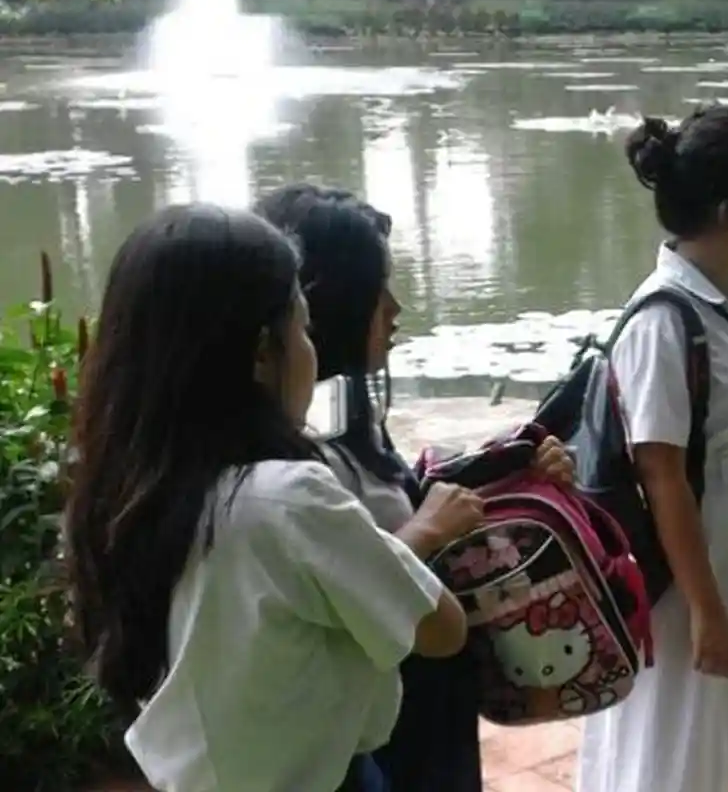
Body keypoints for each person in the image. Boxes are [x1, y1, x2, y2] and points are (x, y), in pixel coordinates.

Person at [63, 204, 483, 792]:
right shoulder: (289, 499)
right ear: (263, 352)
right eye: (304, 328)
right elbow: (441, 628)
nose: (311, 349)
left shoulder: (130, 487)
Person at [253, 183, 574, 792]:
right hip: (389, 724)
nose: (395, 308)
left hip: (425, 702)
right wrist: (428, 529)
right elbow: (351, 590)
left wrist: (510, 473)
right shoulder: (297, 467)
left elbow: (397, 507)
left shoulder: (344, 418)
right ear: (332, 305)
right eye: (380, 291)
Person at [575, 105, 728, 792]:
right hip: (700, 558)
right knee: (688, 732)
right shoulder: (662, 320)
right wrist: (707, 609)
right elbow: (662, 479)